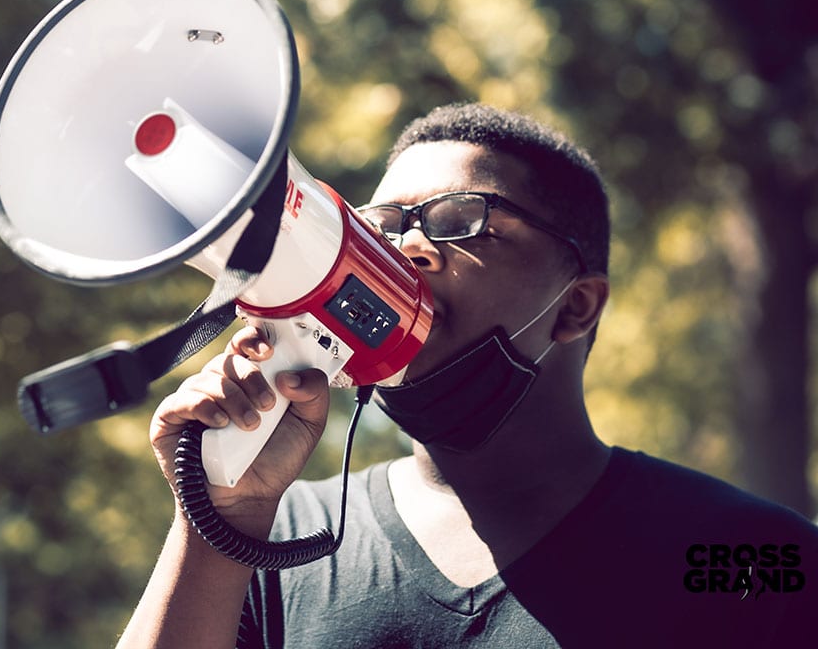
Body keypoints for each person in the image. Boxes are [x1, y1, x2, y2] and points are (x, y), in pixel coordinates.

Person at [116, 103, 818, 648]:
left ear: (574, 306)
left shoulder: (752, 556)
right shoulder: (269, 532)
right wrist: (215, 523)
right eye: (379, 227)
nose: (406, 248)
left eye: (462, 221)